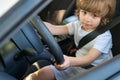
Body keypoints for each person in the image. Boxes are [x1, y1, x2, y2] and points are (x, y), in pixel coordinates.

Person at [24, 0, 116, 80]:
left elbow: (88, 59)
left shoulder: (104, 37)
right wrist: (36, 24)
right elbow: (55, 29)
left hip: (94, 71)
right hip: (76, 62)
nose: (87, 19)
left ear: (104, 17)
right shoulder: (78, 24)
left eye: (94, 15)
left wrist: (69, 61)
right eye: (84, 12)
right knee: (41, 74)